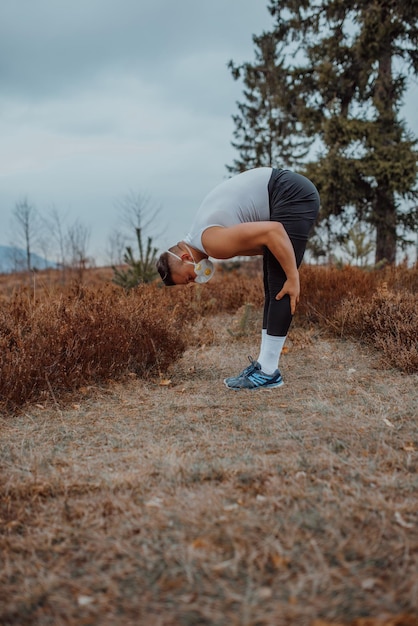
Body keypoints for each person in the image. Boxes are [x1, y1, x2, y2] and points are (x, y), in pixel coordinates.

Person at [156, 167, 320, 390]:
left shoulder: (212, 242)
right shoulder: (202, 235)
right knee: (272, 284)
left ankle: (269, 372)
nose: (194, 281)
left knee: (281, 285)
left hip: (290, 194)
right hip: (285, 191)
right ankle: (264, 365)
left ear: (186, 258)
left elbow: (273, 232)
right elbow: (267, 244)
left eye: (188, 278)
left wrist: (293, 276)